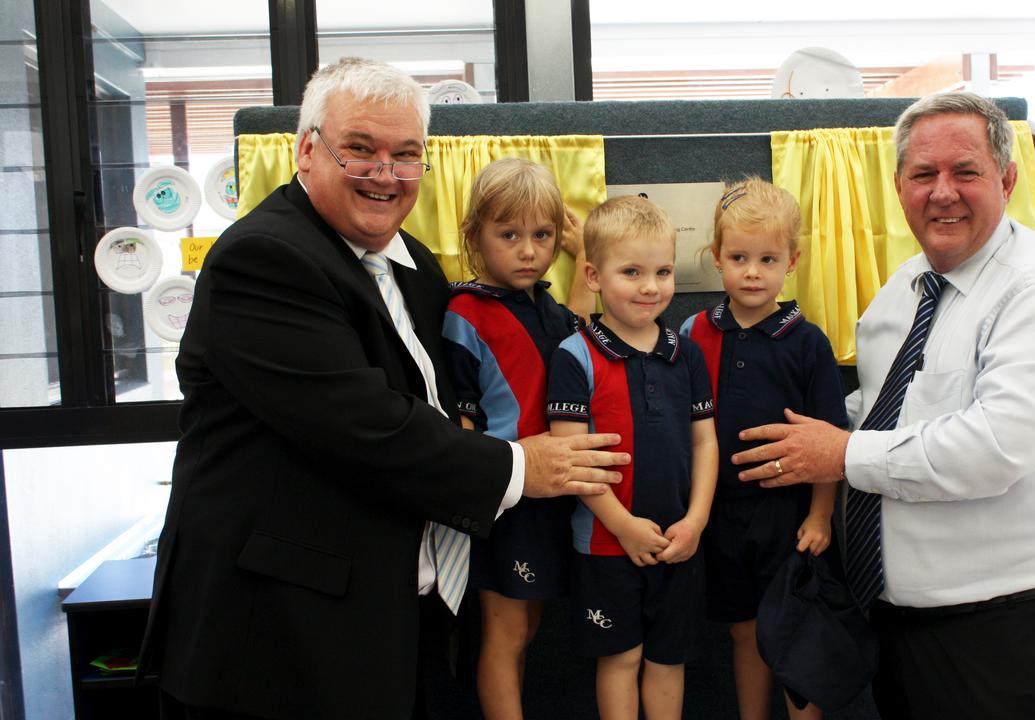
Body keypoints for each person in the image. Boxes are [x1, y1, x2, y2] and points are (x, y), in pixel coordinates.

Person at [138, 57, 629, 720]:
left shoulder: (414, 266)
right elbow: (365, 427)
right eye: (360, 150)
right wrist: (522, 464)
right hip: (276, 651)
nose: (385, 173)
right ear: (307, 150)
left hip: (393, 626)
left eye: (406, 155)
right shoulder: (265, 258)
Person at [732, 92, 1035, 720]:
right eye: (923, 175)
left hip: (1008, 625)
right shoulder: (905, 286)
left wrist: (840, 453)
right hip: (902, 624)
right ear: (899, 185)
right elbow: (882, 406)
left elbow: (995, 448)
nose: (943, 192)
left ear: (1008, 179)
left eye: (966, 172)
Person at [679, 177, 847, 720]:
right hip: (721, 515)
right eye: (740, 257)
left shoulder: (808, 342)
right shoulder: (692, 332)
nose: (753, 271)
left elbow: (830, 441)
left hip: (788, 516)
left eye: (768, 258)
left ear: (792, 261)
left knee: (798, 635)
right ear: (717, 258)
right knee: (744, 631)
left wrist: (821, 517)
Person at [547, 195, 718, 720]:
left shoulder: (685, 351)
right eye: (632, 272)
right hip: (605, 545)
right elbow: (570, 458)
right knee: (621, 658)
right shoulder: (574, 355)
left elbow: (704, 441)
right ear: (594, 276)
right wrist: (623, 526)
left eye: (663, 271)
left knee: (669, 661)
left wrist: (696, 521)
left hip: (678, 542)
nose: (651, 286)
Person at [440, 158, 593, 720]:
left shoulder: (545, 304)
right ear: (475, 234)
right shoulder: (465, 311)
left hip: (553, 492)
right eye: (509, 235)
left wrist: (583, 259)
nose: (528, 250)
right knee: (505, 634)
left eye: (542, 235)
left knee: (526, 629)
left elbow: (575, 344)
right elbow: (462, 419)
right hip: (507, 500)